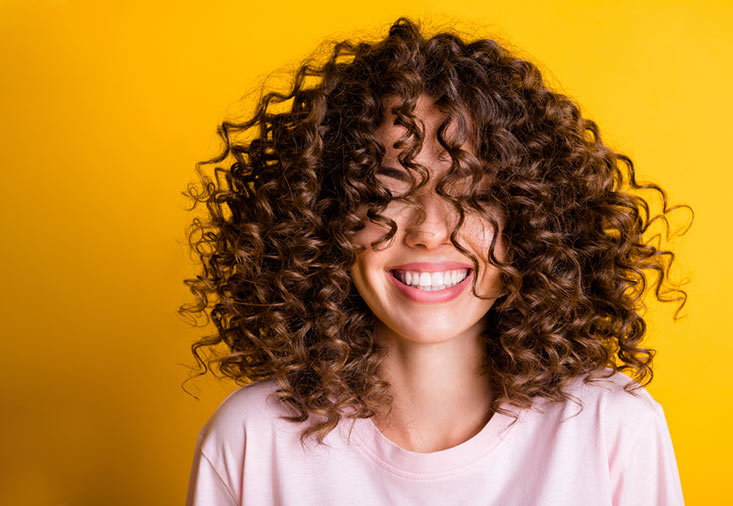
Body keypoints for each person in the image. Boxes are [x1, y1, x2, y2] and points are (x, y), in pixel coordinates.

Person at [181, 16, 692, 506]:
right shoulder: (253, 440)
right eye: (388, 190)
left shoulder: (612, 430)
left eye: (471, 193)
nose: (429, 231)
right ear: (328, 216)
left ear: (530, 220)